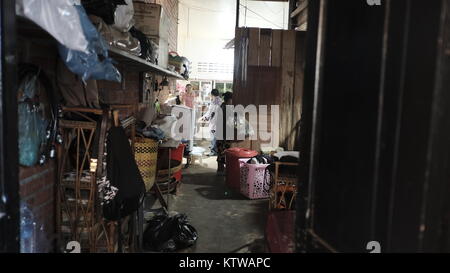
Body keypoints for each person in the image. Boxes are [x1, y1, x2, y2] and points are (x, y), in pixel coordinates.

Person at [199, 89, 222, 156]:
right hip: (218, 121)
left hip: (214, 121)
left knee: (213, 136)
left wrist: (204, 118)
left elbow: (210, 112)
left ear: (212, 95)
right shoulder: (220, 100)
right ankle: (215, 149)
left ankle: (213, 151)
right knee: (216, 136)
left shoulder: (214, 102)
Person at [216, 92, 233, 174]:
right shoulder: (227, 108)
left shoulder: (222, 106)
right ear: (230, 99)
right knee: (224, 152)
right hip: (225, 134)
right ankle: (223, 171)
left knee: (220, 152)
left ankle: (220, 169)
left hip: (220, 133)